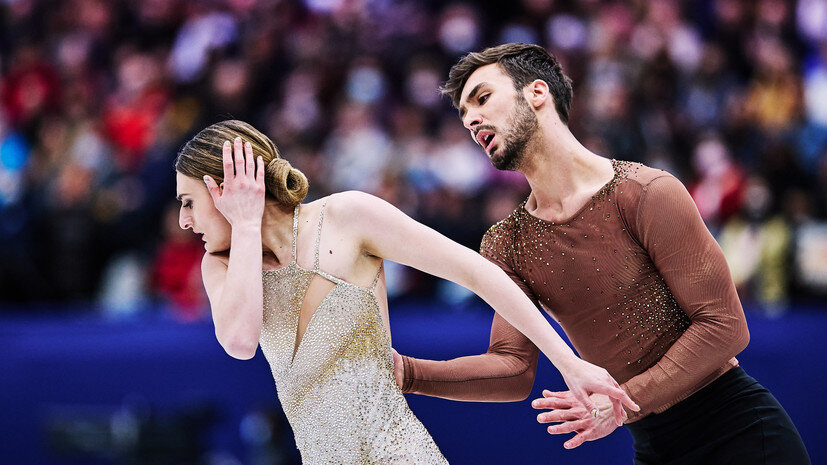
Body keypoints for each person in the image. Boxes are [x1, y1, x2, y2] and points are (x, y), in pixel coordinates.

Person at [394, 43, 811, 464]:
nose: (471, 120)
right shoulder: (507, 243)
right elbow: (512, 369)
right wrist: (405, 373)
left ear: (537, 93)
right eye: (464, 116)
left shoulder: (646, 192)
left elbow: (725, 327)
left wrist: (622, 400)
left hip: (740, 434)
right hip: (655, 447)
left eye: (482, 99)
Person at [173, 120, 637, 464]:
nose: (184, 221)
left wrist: (570, 365)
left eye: (189, 202)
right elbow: (239, 341)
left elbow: (480, 273)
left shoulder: (346, 217)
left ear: (227, 185)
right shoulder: (221, 265)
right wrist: (249, 224)